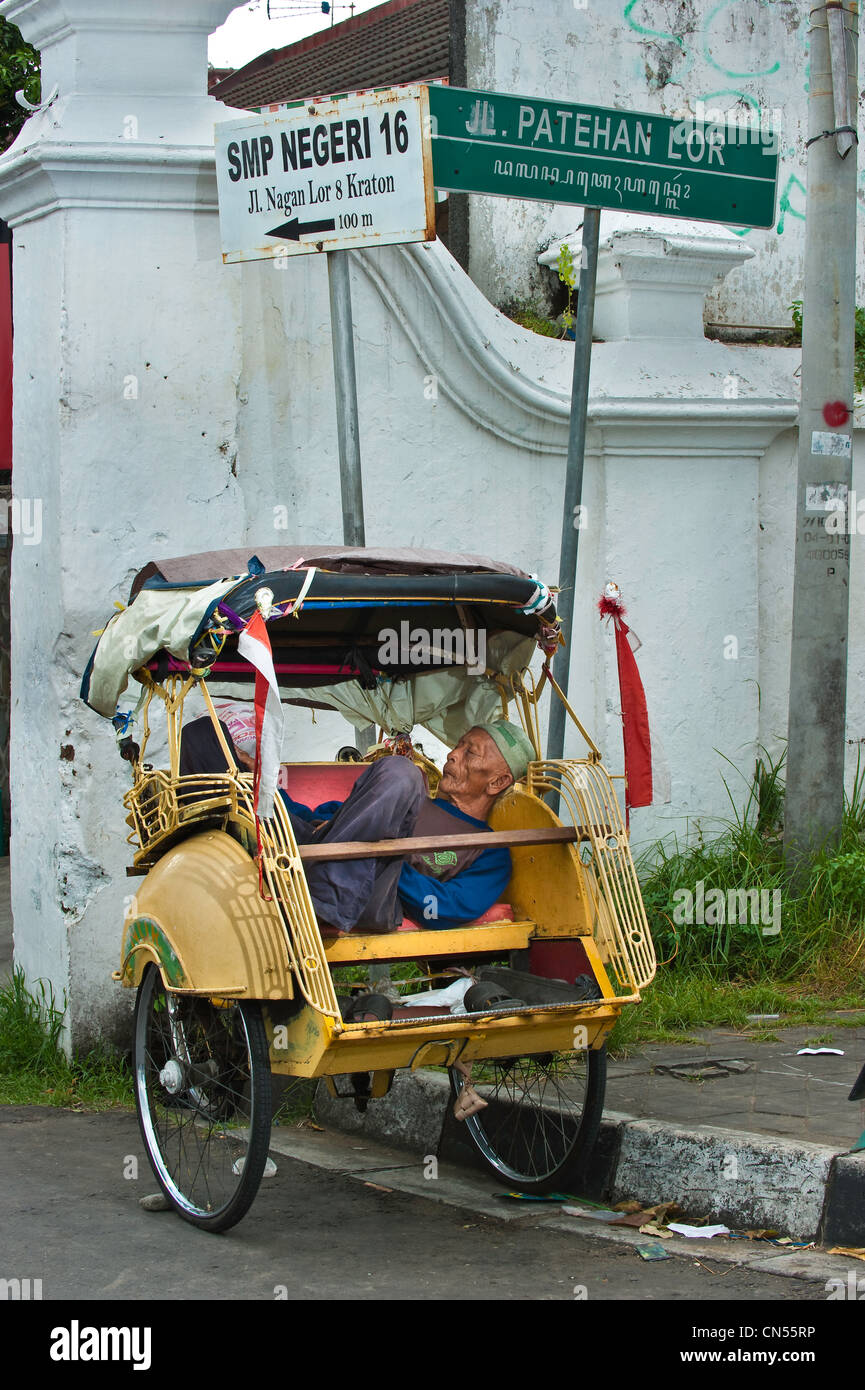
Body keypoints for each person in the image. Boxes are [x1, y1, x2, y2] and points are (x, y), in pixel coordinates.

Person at [179, 714, 535, 935]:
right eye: (458, 745)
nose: (453, 754)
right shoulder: (411, 800)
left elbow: (442, 907)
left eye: (470, 752)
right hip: (307, 855)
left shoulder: (488, 848)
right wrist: (259, 781)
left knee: (402, 771)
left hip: (369, 893)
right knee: (203, 734)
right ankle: (213, 866)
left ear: (497, 783)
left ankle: (321, 894)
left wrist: (385, 858)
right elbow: (322, 819)